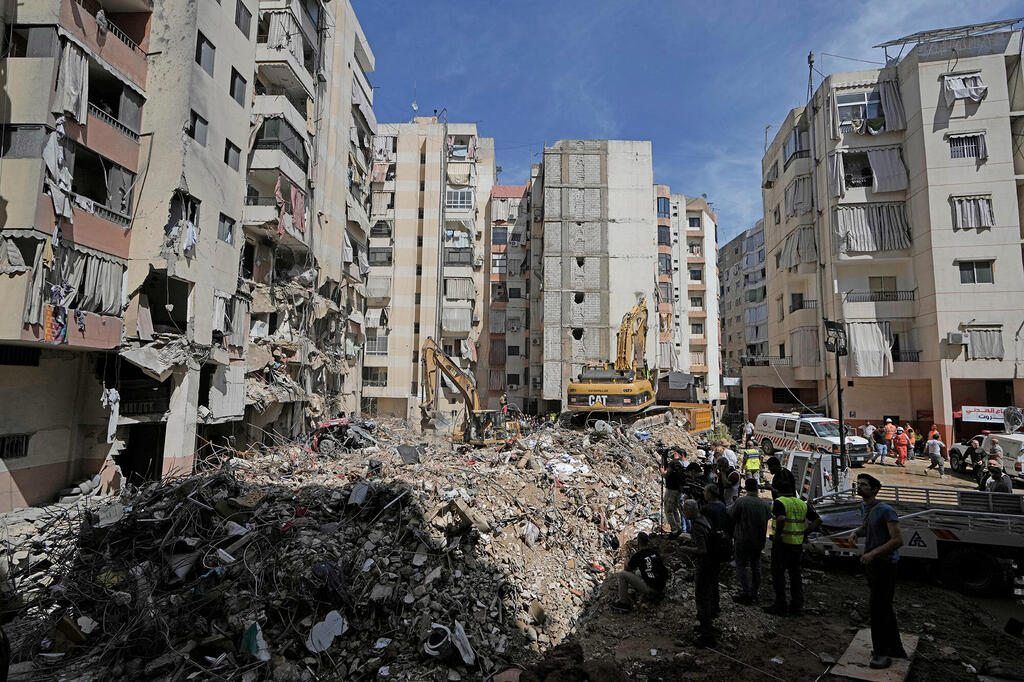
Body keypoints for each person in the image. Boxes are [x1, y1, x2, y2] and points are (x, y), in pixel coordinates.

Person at [847, 474, 906, 669]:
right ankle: (895, 647)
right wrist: (856, 532)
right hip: (873, 565)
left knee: (878, 609)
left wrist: (873, 553)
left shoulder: (886, 511)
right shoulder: (866, 507)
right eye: (859, 484)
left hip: (885, 565)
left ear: (874, 489)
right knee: (884, 607)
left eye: (864, 485)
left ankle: (881, 653)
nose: (860, 487)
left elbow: (897, 540)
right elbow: (867, 527)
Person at [763, 487, 821, 616]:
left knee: (778, 575)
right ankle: (797, 606)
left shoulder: (779, 502)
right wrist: (805, 534)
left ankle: (780, 605)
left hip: (782, 545)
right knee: (795, 575)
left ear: (778, 490)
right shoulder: (802, 503)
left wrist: (778, 535)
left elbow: (781, 518)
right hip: (797, 545)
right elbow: (818, 520)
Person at [680, 499, 720, 647]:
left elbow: (702, 549)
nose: (683, 513)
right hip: (712, 563)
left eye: (685, 510)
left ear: (691, 510)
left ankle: (706, 635)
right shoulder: (704, 519)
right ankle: (707, 626)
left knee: (702, 598)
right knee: (707, 596)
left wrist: (687, 550)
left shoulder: (697, 526)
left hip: (705, 565)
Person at [729, 478, 772, 605]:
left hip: (742, 539)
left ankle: (746, 592)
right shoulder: (764, 504)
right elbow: (768, 517)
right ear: (757, 488)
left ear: (746, 488)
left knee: (741, 565)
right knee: (756, 566)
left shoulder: (741, 502)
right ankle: (754, 592)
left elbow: (732, 516)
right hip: (758, 540)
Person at [612, 532, 668, 611]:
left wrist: (626, 561)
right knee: (638, 572)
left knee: (622, 575)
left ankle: (623, 603)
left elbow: (627, 569)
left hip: (651, 588)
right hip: (661, 586)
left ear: (638, 542)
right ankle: (650, 595)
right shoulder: (654, 552)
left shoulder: (638, 555)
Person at [661, 448, 687, 534]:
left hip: (671, 489)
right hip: (678, 489)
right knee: (675, 509)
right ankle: (678, 527)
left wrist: (662, 472)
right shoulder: (681, 462)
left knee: (668, 510)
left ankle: (674, 529)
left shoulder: (673, 463)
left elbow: (666, 474)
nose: (670, 453)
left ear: (676, 453)